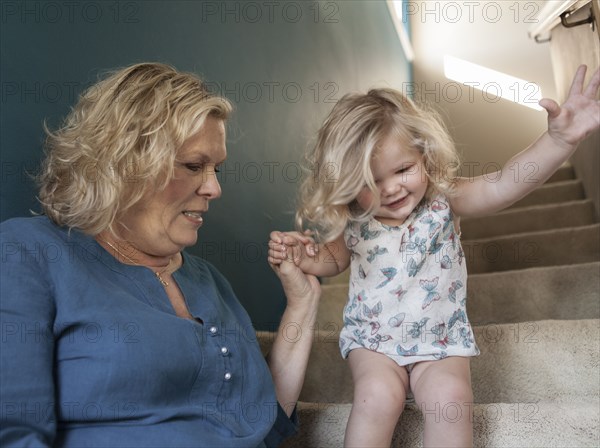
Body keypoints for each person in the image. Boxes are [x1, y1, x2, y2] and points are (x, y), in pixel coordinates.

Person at [268, 65, 600, 447]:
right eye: (370, 182)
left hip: (441, 340)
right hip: (375, 342)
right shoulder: (357, 220)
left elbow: (504, 184)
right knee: (377, 397)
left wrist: (559, 140)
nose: (390, 188)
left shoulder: (444, 199)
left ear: (423, 155)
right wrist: (303, 257)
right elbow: (334, 260)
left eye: (403, 169)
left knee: (451, 400)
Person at [0, 62, 321, 448]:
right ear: (123, 163)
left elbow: (260, 425)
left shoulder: (209, 281)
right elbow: (13, 429)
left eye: (217, 168)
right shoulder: (29, 251)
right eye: (193, 165)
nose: (214, 188)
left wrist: (302, 303)